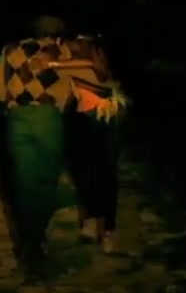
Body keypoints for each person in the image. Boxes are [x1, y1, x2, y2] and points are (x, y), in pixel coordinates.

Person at [0, 15, 95, 280]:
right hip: (48, 119)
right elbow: (87, 82)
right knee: (45, 182)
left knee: (23, 181)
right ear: (57, 33)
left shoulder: (11, 51)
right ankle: (36, 243)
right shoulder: (63, 52)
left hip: (18, 119)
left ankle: (28, 245)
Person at [57, 33, 128, 254]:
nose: (72, 46)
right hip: (80, 115)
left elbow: (101, 72)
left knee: (106, 171)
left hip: (105, 114)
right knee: (82, 170)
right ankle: (90, 218)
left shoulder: (97, 51)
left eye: (77, 41)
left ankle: (108, 229)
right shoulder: (61, 52)